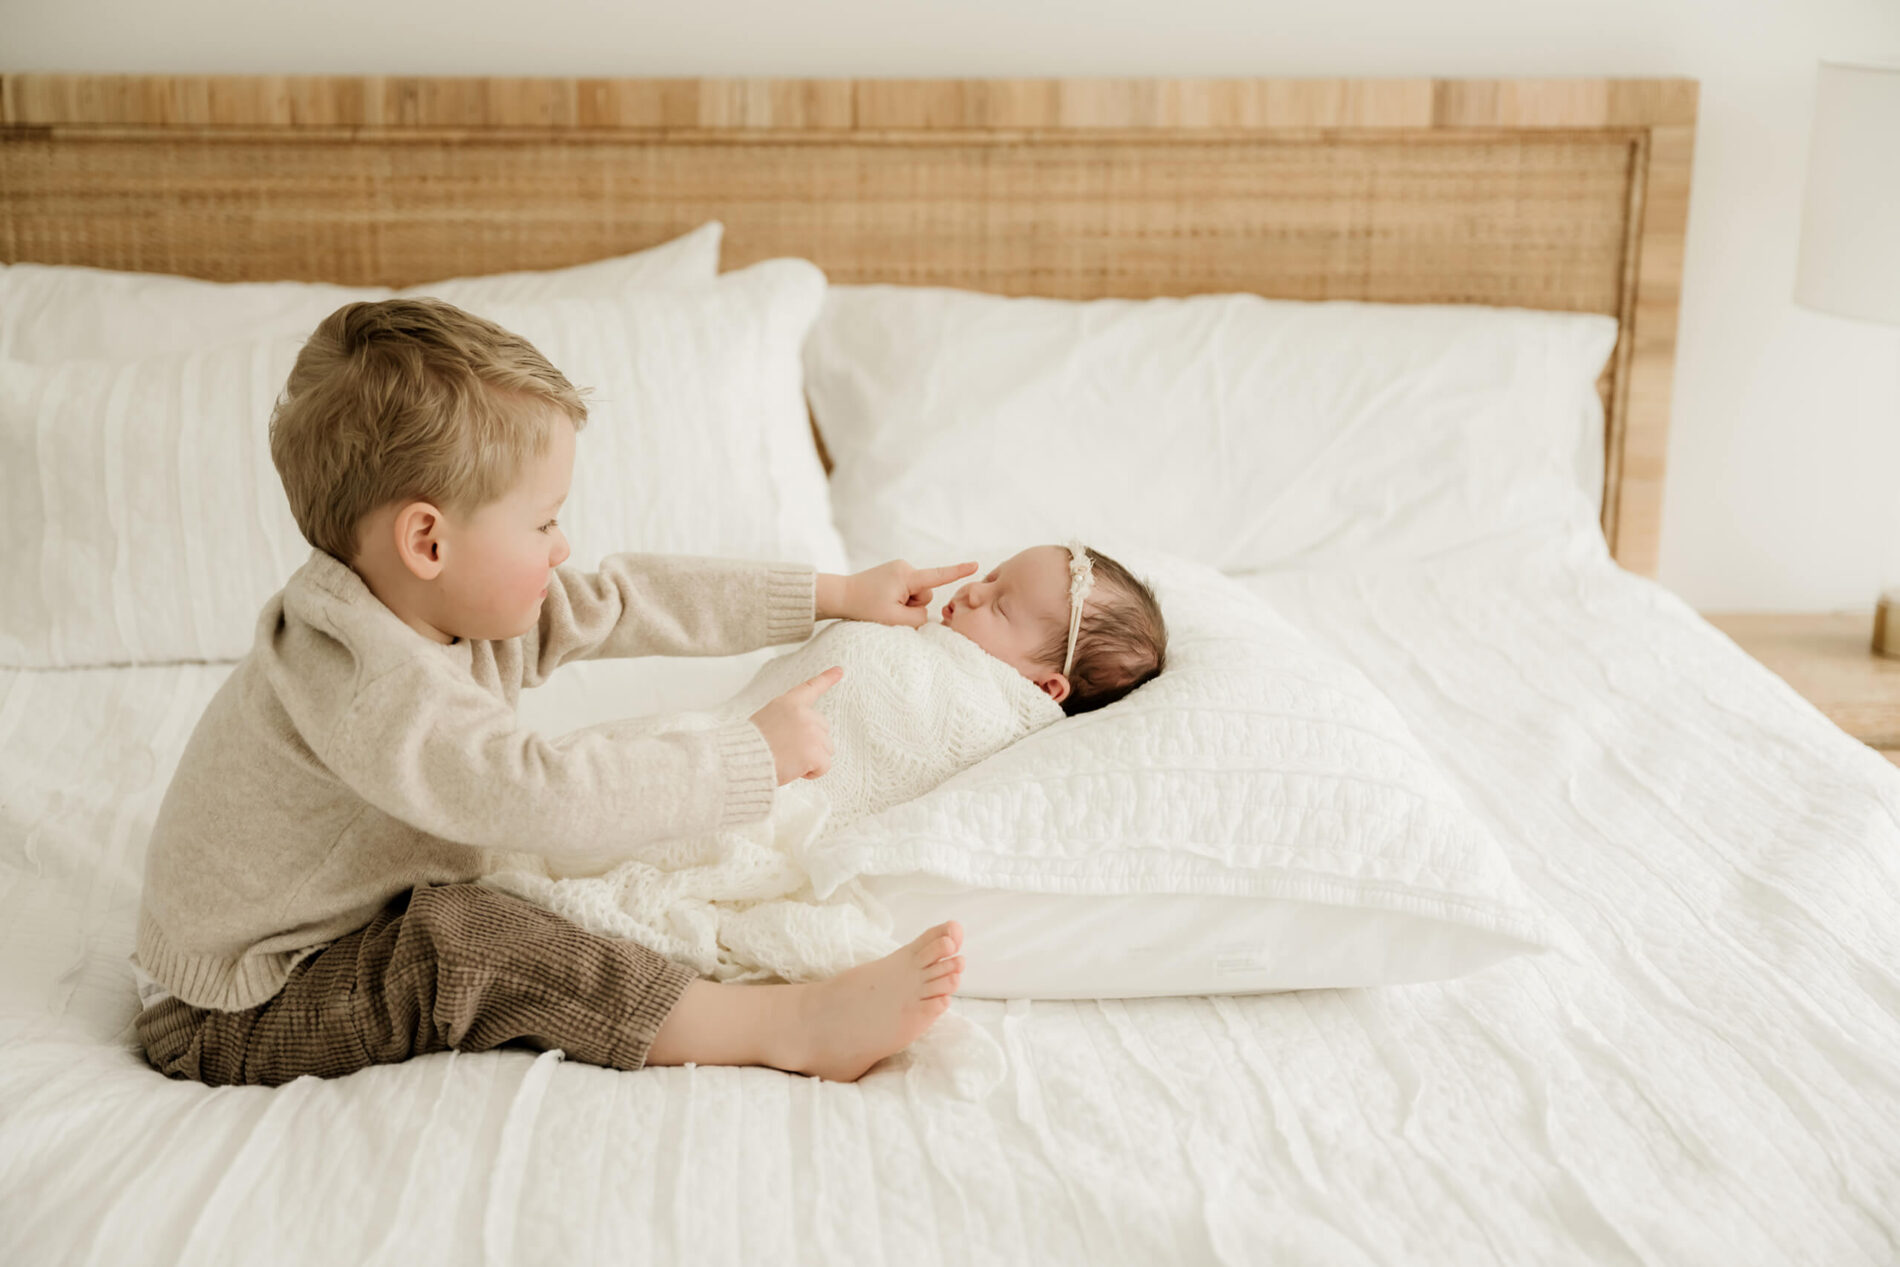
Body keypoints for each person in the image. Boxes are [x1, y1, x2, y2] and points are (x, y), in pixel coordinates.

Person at [130, 297, 974, 1087]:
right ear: (428, 539)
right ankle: (780, 1026)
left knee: (563, 880)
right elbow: (538, 793)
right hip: (238, 1006)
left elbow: (631, 600)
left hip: (316, 932)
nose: (563, 547)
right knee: (469, 938)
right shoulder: (368, 682)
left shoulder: (438, 602)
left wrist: (834, 595)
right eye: (541, 522)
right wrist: (747, 757)